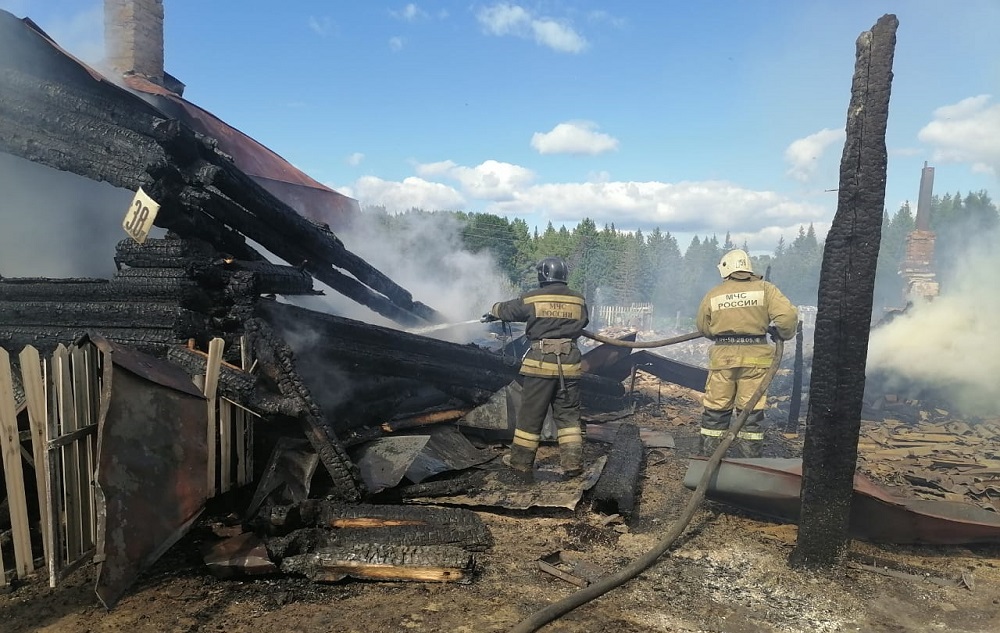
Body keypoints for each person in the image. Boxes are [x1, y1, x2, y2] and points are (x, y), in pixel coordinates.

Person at [483, 256, 590, 478]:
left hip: (540, 365)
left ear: (542, 275)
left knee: (531, 415)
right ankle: (572, 463)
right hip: (569, 366)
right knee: (569, 417)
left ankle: (521, 462)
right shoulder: (579, 300)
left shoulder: (533, 297)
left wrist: (493, 310)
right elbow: (584, 322)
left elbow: (508, 310)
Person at [695, 249, 797, 458]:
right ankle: (750, 464)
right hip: (757, 360)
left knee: (716, 409)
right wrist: (783, 334)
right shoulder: (766, 289)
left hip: (723, 359)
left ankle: (708, 459)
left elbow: (703, 327)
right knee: (749, 411)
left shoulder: (715, 293)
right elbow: (787, 318)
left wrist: (721, 333)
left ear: (726, 269)